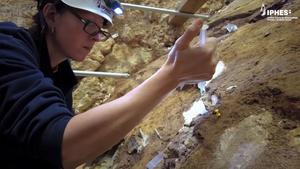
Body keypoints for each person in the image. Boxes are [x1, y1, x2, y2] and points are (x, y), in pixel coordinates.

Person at [0, 0, 217, 168]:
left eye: (101, 29)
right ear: (51, 14)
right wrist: (172, 75)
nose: (96, 37)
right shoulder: (7, 47)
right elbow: (61, 145)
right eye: (90, 25)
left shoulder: (59, 77)